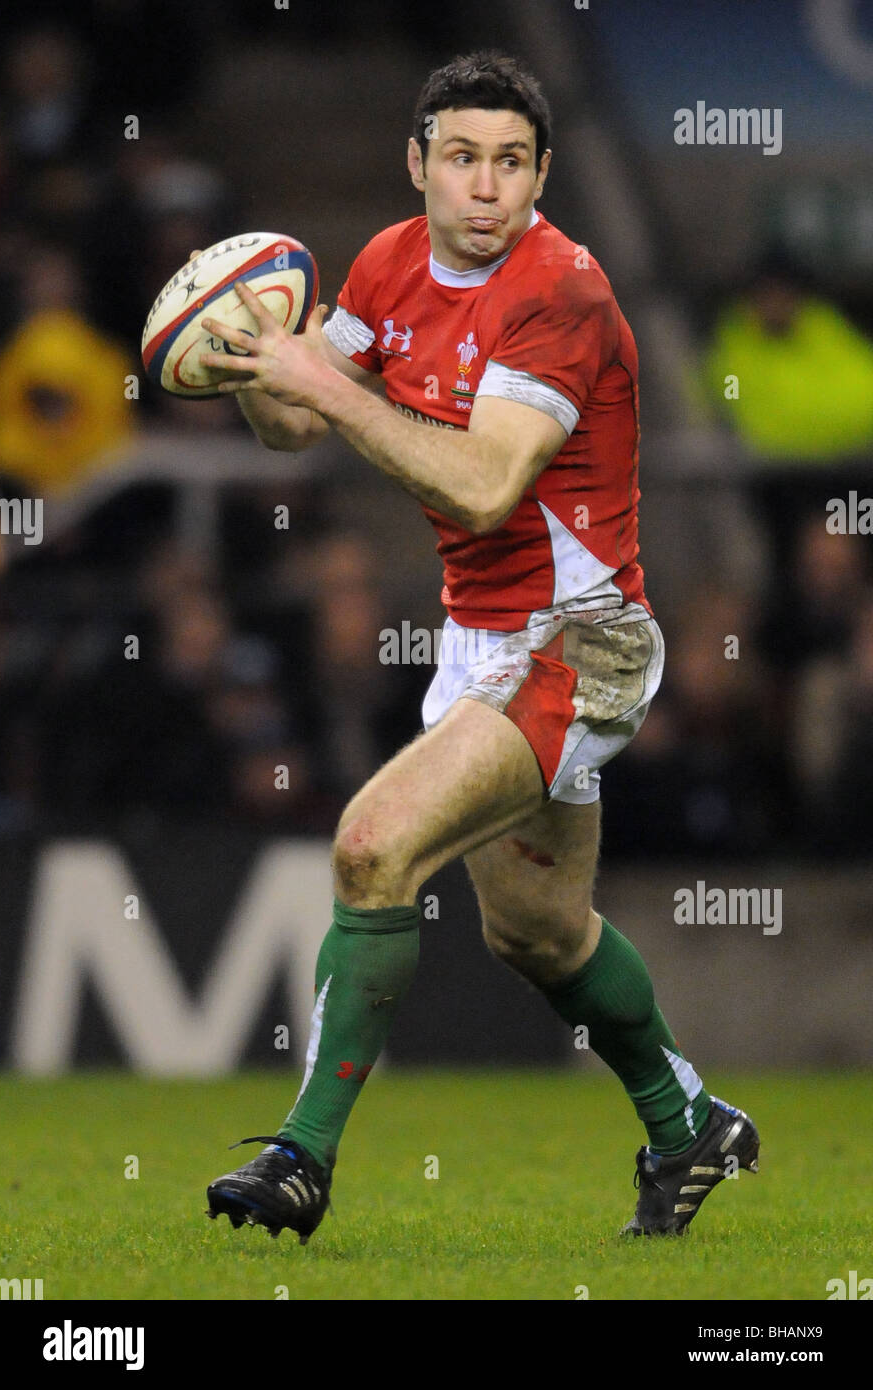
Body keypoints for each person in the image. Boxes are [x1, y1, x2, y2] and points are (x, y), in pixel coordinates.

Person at [202, 51, 759, 1243]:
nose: (485, 186)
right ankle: (688, 1121)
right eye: (461, 157)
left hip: (584, 641)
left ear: (544, 174)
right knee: (537, 932)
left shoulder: (561, 290)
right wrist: (254, 360)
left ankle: (300, 1155)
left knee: (369, 849)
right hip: (477, 643)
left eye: (511, 161)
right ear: (417, 166)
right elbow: (295, 425)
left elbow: (491, 482)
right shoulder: (389, 262)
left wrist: (329, 390)